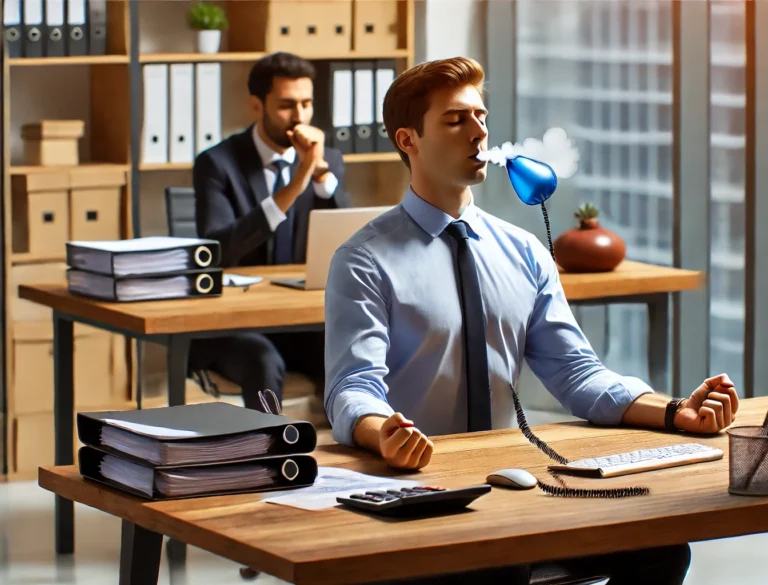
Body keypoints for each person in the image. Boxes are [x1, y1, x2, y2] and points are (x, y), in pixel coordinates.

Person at [323, 56, 738, 585]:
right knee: (495, 572)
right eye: (456, 120)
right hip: (418, 490)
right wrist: (384, 434)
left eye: (481, 116)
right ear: (409, 140)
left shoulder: (523, 252)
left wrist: (675, 411)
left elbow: (578, 375)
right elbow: (351, 389)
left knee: (660, 548)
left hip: (506, 483)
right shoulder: (364, 259)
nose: (479, 132)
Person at [192, 52, 349, 410]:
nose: (300, 117)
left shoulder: (329, 162)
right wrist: (297, 181)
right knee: (264, 363)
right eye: (286, 105)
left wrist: (321, 174)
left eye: (307, 104)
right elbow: (219, 248)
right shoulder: (216, 163)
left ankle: (352, 451)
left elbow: (349, 241)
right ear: (256, 105)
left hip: (298, 320)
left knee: (347, 351)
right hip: (232, 327)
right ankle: (271, 459)